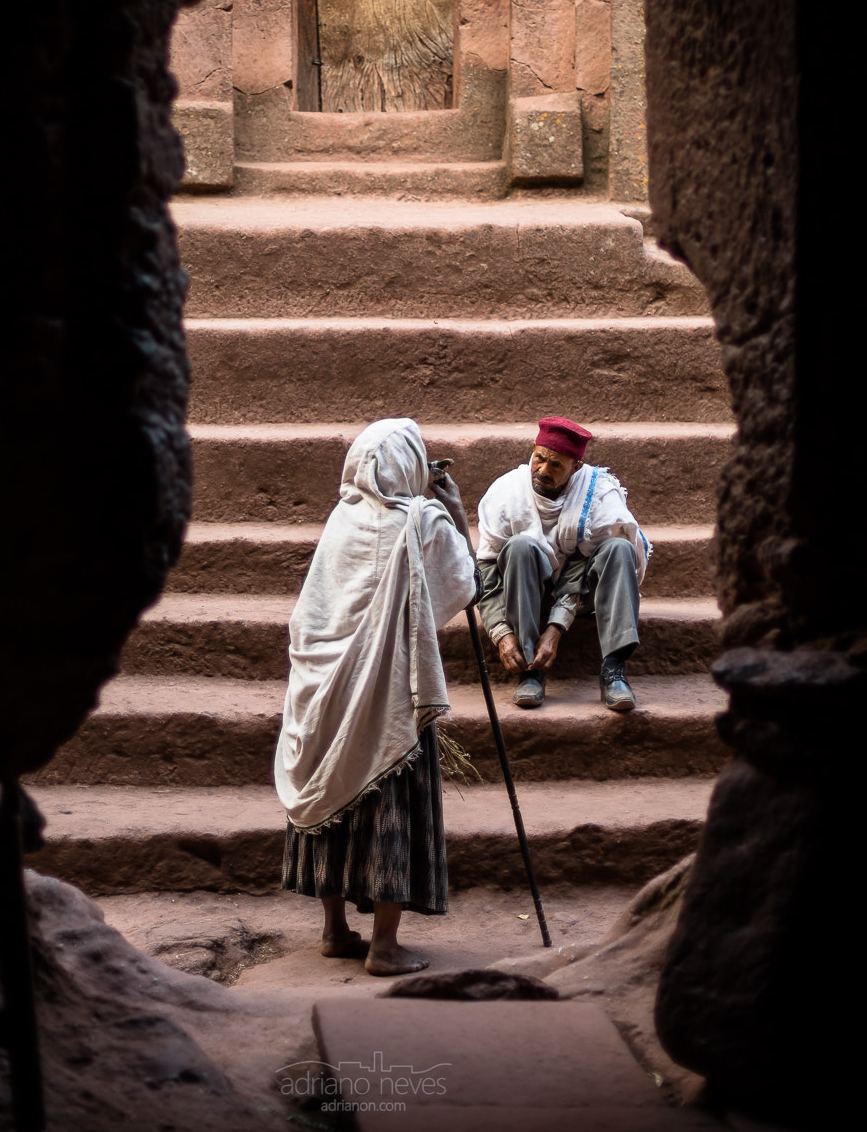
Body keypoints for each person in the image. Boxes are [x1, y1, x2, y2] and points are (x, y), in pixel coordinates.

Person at [275, 417, 477, 976]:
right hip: (387, 694)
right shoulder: (424, 520)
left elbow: (317, 608)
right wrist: (457, 514)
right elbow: (462, 586)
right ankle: (385, 948)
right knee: (391, 802)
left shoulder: (341, 518)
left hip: (323, 690)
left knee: (332, 799)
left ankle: (334, 929)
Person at [476, 416, 649, 712]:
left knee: (619, 548)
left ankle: (614, 669)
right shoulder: (506, 493)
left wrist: (556, 628)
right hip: (522, 591)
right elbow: (486, 571)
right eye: (539, 458)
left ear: (576, 468)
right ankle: (532, 670)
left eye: (556, 465)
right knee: (519, 546)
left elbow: (584, 567)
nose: (543, 470)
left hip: (581, 596)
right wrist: (500, 632)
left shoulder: (597, 496)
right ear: (533, 450)